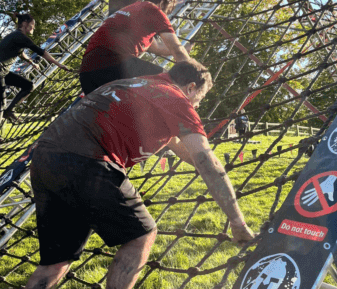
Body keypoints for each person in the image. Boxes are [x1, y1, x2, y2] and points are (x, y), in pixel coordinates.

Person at [22, 60, 255, 289]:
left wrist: (208, 169)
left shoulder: (136, 84)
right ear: (191, 87)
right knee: (141, 236)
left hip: (45, 158)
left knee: (56, 262)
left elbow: (185, 150)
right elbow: (205, 159)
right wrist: (237, 222)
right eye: (199, 100)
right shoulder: (175, 98)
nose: (197, 106)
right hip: (87, 159)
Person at [78, 0, 192, 95]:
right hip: (113, 64)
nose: (165, 16)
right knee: (169, 82)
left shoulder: (132, 9)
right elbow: (177, 50)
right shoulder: (154, 10)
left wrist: (185, 49)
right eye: (166, 12)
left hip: (87, 74)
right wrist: (192, 77)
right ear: (161, 3)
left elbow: (158, 48)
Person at [0, 13, 72, 145]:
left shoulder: (16, 37)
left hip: (1, 72)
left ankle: (10, 111)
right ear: (25, 24)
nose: (33, 29)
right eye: (32, 26)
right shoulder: (20, 36)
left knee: (28, 86)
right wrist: (59, 64)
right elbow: (41, 51)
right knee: (0, 104)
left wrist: (31, 63)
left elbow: (20, 52)